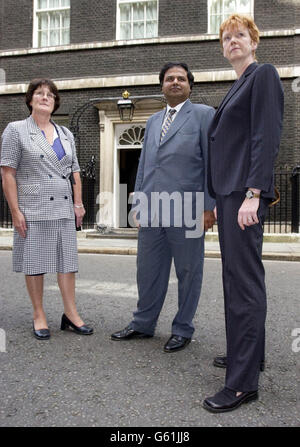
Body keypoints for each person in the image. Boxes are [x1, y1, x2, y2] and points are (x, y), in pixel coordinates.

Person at [203, 14, 284, 412]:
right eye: (227, 37)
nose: (233, 41)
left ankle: (241, 384)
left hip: (243, 193)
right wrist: (219, 197)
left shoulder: (263, 75)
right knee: (240, 279)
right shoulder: (237, 85)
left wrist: (253, 193)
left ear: (254, 42)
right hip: (230, 194)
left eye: (240, 35)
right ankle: (249, 356)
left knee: (242, 284)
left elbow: (265, 136)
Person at [111, 62, 215, 352]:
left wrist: (209, 207)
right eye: (170, 78)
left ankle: (182, 328)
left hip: (189, 209)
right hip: (153, 208)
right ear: (162, 86)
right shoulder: (154, 120)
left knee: (188, 272)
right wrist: (139, 204)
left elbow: (213, 164)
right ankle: (143, 323)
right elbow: (145, 166)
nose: (176, 82)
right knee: (148, 270)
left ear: (190, 86)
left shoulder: (204, 116)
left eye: (181, 78)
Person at [0, 78, 93, 340]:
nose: (45, 97)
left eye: (50, 94)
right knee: (35, 263)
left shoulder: (65, 134)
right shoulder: (16, 130)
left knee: (67, 263)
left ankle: (71, 314)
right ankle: (39, 313)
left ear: (55, 102)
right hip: (33, 206)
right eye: (39, 93)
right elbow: (8, 173)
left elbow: (74, 170)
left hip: (63, 206)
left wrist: (78, 203)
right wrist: (15, 211)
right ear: (30, 100)